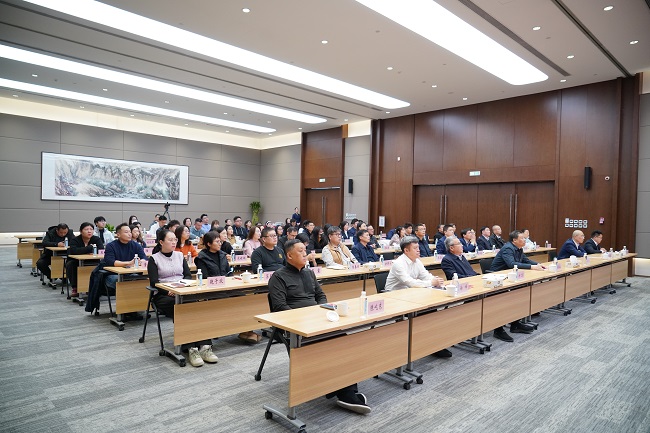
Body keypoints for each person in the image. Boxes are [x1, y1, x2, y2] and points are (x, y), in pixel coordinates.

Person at [268, 239, 371, 414]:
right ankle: (345, 392)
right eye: (300, 251)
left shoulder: (309, 273)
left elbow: (321, 296)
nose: (305, 253)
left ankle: (344, 388)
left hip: (318, 320)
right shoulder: (278, 277)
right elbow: (279, 307)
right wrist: (305, 318)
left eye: (305, 250)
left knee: (343, 340)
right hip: (297, 326)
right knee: (327, 348)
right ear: (289, 256)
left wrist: (321, 311)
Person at [148, 229, 218, 367]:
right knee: (183, 310)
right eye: (170, 240)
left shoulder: (180, 255)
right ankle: (191, 348)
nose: (174, 242)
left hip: (182, 291)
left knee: (197, 306)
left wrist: (181, 286)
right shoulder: (154, 259)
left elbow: (187, 275)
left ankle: (205, 347)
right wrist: (169, 291)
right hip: (164, 295)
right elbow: (154, 283)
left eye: (175, 239)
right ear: (161, 242)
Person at [385, 235, 450, 358]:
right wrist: (430, 283)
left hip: (411, 294)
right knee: (425, 312)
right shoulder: (398, 263)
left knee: (432, 310)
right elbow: (410, 282)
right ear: (406, 250)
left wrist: (436, 280)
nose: (418, 250)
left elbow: (426, 276)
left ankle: (433, 344)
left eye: (418, 247)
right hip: (394, 297)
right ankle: (423, 344)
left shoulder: (417, 261)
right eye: (415, 248)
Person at [489, 230, 546, 342]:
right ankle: (498, 330)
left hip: (511, 278)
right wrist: (532, 267)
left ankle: (515, 323)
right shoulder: (508, 248)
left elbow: (525, 260)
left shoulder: (519, 248)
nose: (525, 240)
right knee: (503, 303)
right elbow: (511, 264)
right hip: (498, 278)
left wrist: (538, 264)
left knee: (519, 297)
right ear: (514, 240)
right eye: (522, 238)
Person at [103, 223, 147, 293]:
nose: (129, 234)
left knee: (138, 279)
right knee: (120, 280)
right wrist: (129, 263)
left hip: (131, 273)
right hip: (113, 274)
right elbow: (110, 261)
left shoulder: (136, 245)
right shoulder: (111, 246)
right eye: (126, 232)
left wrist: (141, 261)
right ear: (118, 235)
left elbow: (144, 257)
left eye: (130, 232)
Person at [66, 222, 104, 297]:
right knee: (71, 265)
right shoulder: (75, 240)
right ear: (81, 231)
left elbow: (101, 250)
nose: (89, 231)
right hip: (76, 261)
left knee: (100, 265)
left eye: (91, 229)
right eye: (86, 229)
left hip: (92, 260)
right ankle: (75, 287)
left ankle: (92, 287)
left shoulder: (96, 239)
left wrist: (83, 250)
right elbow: (74, 251)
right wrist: (89, 248)